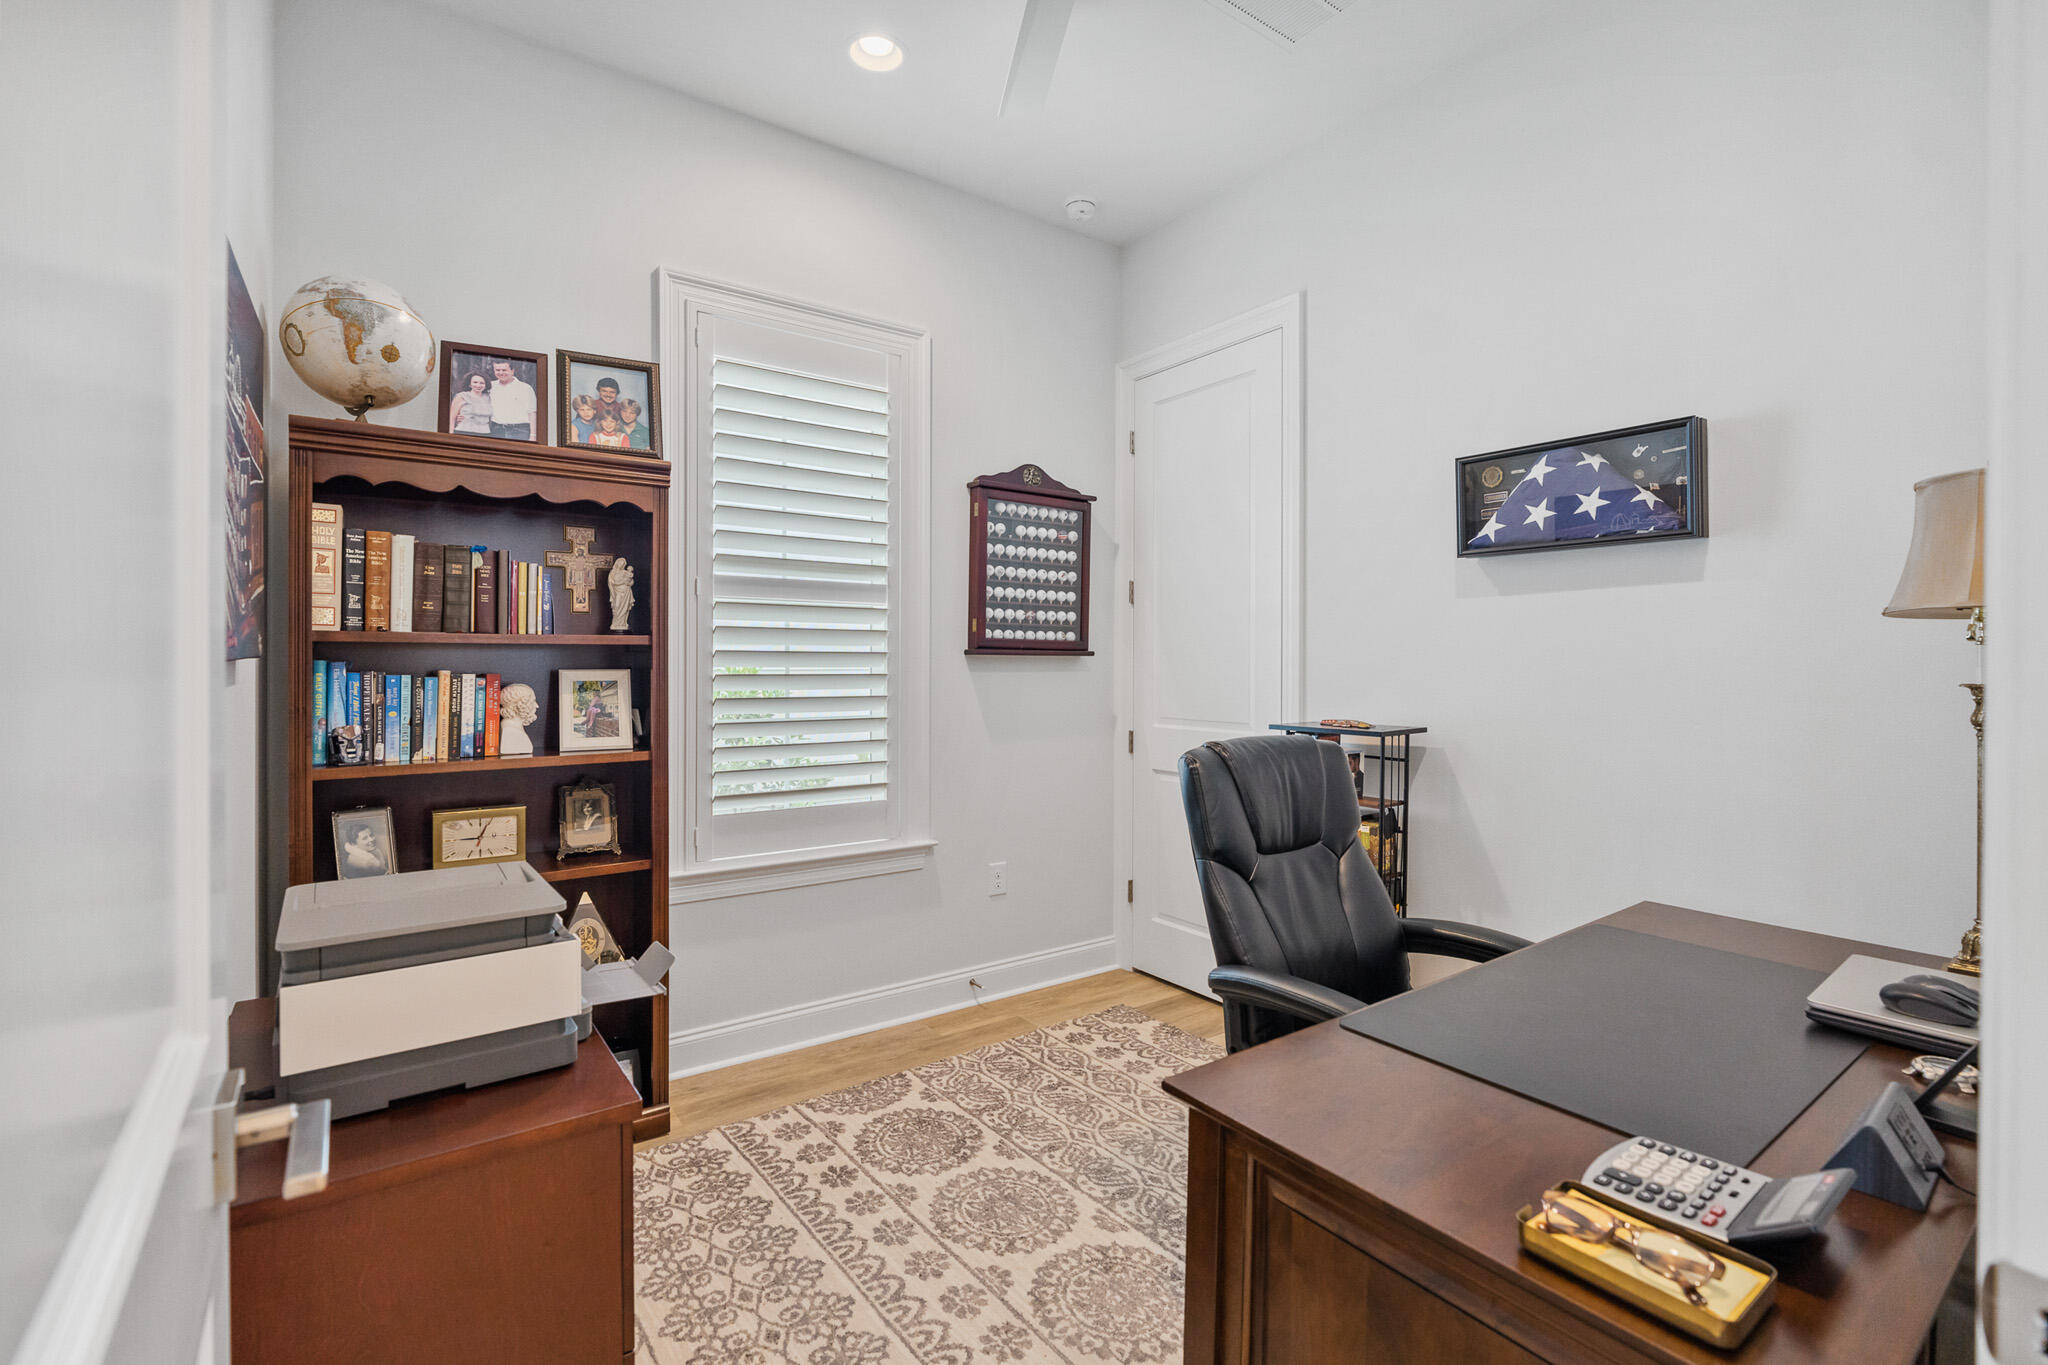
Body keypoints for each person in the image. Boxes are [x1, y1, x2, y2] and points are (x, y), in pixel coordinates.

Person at [487, 358, 537, 440]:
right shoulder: (490, 387)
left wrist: (533, 435)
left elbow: (532, 413)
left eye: (504, 370)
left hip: (520, 431)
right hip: (496, 430)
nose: (501, 373)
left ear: (512, 371)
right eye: (497, 370)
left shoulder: (525, 388)